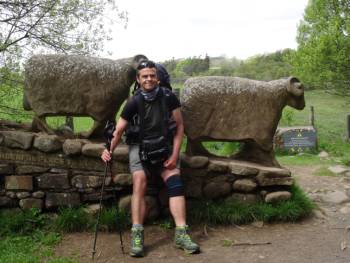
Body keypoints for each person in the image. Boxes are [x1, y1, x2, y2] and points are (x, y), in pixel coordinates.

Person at [101, 60, 199, 257]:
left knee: (175, 183)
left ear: (158, 77)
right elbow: (119, 130)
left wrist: (174, 155)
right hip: (139, 146)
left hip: (165, 146)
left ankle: (182, 234)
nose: (149, 79)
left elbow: (180, 127)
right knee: (139, 181)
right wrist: (107, 150)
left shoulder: (169, 97)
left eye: (152, 75)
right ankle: (137, 235)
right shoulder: (133, 102)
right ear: (138, 79)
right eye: (144, 76)